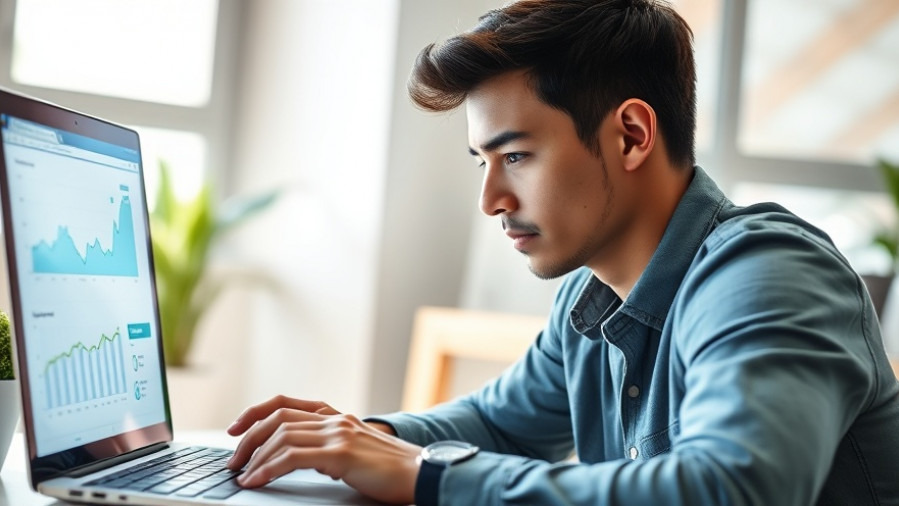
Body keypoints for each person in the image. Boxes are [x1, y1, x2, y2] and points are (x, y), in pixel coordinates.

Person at [226, 0, 899, 504]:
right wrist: (356, 436)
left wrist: (421, 471)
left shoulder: (767, 272)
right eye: (481, 162)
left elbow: (731, 487)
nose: (490, 199)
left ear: (632, 135)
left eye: (516, 156)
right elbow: (500, 425)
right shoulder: (591, 298)